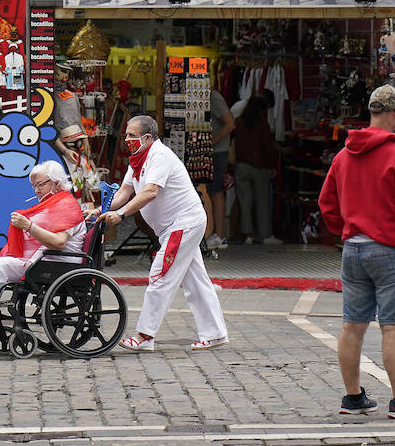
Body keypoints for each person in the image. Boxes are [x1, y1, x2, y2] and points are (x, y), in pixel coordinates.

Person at [318, 84, 395, 418]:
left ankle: (353, 397)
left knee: (352, 325)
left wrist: (344, 229)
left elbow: (326, 204)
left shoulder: (343, 156)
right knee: (393, 327)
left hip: (353, 249)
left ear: (372, 113)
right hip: (391, 250)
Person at [98, 115, 228, 351]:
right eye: (126, 134)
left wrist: (122, 215)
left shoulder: (160, 156)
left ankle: (145, 336)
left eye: (132, 136)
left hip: (182, 224)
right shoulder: (137, 160)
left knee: (160, 276)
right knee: (196, 281)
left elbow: (150, 192)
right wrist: (101, 210)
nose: (126, 139)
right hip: (176, 226)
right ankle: (215, 334)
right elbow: (123, 193)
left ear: (147, 138)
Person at [0, 161, 87, 338]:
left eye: (41, 185)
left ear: (56, 183)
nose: (36, 190)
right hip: (45, 260)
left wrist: (28, 226)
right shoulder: (54, 205)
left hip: (56, 264)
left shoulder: (66, 206)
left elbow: (58, 243)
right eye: (34, 186)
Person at [233, 95, 281, 246]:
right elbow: (267, 146)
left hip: (241, 166)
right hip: (259, 166)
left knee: (245, 202)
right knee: (262, 202)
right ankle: (265, 234)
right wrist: (273, 164)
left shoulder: (239, 122)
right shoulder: (261, 124)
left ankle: (248, 235)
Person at [203, 89, 235, 250]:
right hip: (211, 152)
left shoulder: (213, 97)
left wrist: (212, 142)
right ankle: (216, 234)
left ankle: (220, 236)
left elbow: (230, 123)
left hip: (217, 153)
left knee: (215, 192)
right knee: (211, 191)